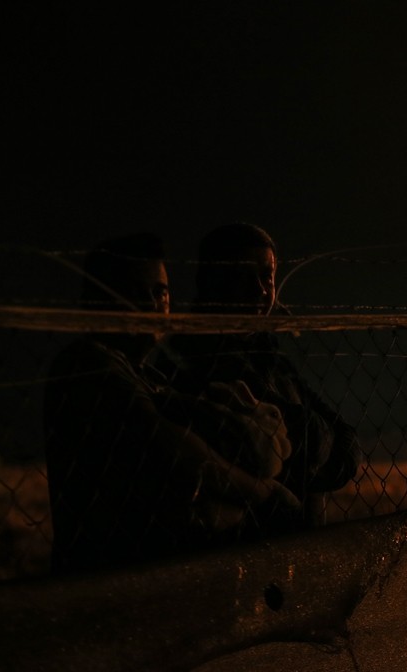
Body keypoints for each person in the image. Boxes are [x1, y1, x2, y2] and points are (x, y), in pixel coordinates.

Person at [43, 232, 297, 574]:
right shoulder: (89, 366)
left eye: (159, 292)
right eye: (135, 294)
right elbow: (173, 447)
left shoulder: (153, 378)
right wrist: (263, 494)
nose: (151, 306)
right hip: (109, 570)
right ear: (98, 301)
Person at [168, 223, 361, 535]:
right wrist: (315, 459)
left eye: (266, 276)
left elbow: (338, 435)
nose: (259, 289)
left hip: (294, 537)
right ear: (210, 282)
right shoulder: (195, 360)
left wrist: (305, 465)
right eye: (243, 277)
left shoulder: (269, 354)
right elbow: (311, 441)